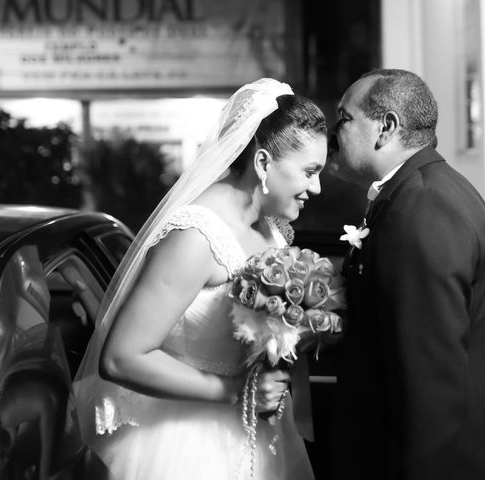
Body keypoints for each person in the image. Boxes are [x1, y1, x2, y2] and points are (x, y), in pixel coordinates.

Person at [72, 78, 327, 480]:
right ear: (263, 164)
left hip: (263, 437)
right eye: (309, 172)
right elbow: (122, 357)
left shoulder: (272, 229)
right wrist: (236, 394)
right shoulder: (195, 236)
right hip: (190, 446)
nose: (316, 187)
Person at [328, 68, 485, 480]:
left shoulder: (422, 207)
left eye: (344, 119)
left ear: (386, 127)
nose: (335, 133)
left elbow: (431, 380)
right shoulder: (425, 189)